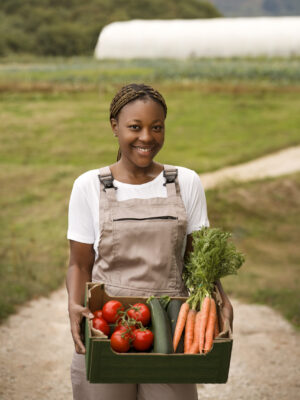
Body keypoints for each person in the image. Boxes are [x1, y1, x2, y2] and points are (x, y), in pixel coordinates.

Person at [66, 83, 233, 400]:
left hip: (172, 328)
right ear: (115, 127)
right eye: (135, 127)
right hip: (109, 325)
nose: (146, 137)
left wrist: (219, 297)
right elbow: (79, 263)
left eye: (156, 127)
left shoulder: (185, 182)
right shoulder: (89, 185)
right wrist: (74, 306)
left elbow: (198, 261)